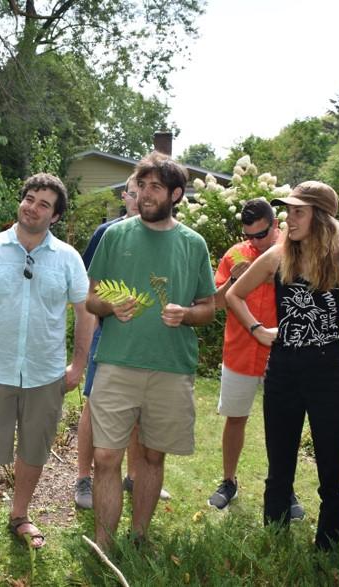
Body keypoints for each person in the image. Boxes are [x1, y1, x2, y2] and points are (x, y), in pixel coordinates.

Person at [0, 173, 93, 560]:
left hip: (45, 374)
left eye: (44, 203)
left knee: (34, 449)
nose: (33, 207)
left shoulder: (67, 257)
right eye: (29, 198)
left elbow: (85, 312)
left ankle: (20, 515)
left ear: (56, 216)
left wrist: (77, 365)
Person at [226, 181, 339, 549]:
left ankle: (329, 547)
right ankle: (274, 541)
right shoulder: (278, 256)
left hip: (330, 374)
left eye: (297, 211)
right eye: (288, 211)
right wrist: (258, 330)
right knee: (280, 468)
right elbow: (234, 294)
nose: (288, 218)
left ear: (320, 218)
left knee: (332, 469)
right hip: (284, 371)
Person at [87, 152, 216, 549]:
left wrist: (186, 313)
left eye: (154, 187)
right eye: (140, 186)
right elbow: (90, 298)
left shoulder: (193, 244)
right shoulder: (115, 235)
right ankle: (104, 544)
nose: (144, 194)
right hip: (116, 364)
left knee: (152, 458)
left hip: (170, 368)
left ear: (175, 193)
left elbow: (208, 308)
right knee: (105, 458)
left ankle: (139, 536)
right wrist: (109, 306)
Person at [74, 175, 171, 509]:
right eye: (133, 192)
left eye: (145, 191)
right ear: (126, 196)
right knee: (95, 406)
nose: (138, 198)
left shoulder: (167, 236)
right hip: (110, 333)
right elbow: (89, 290)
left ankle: (134, 477)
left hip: (148, 344)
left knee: (138, 412)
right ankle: (84, 478)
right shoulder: (108, 233)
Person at [208, 199, 305, 518]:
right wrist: (237, 280)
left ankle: (285, 487)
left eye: (261, 234)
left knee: (283, 422)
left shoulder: (295, 254)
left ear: (276, 224)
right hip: (240, 350)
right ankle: (228, 481)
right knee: (235, 418)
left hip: (282, 352)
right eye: (249, 236)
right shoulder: (234, 255)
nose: (255, 242)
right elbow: (217, 303)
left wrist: (264, 274)